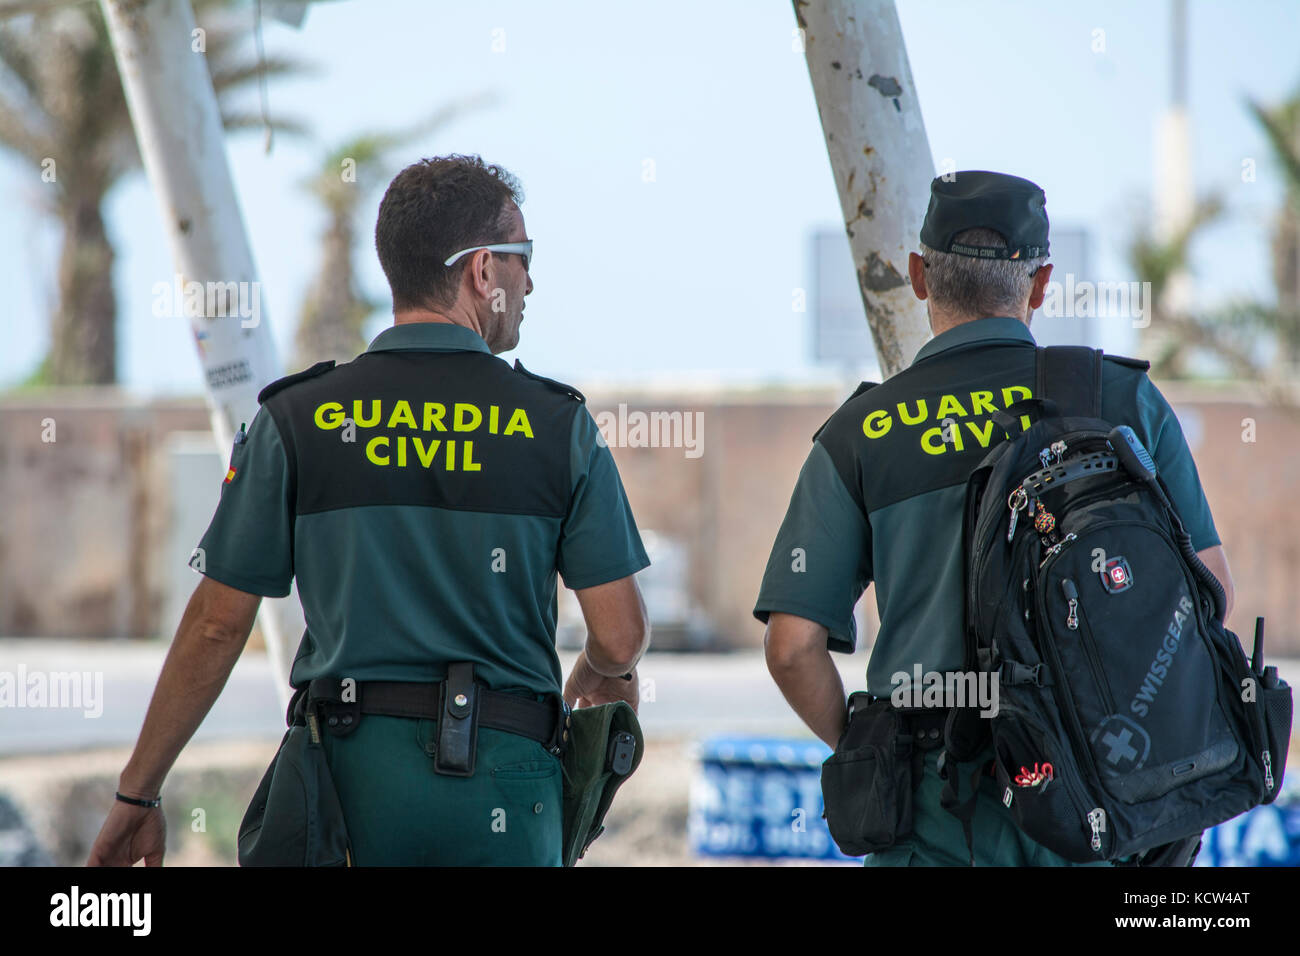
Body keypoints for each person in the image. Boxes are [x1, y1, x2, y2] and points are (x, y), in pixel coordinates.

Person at [87, 154, 651, 867]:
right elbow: (621, 636)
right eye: (522, 258)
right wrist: (598, 675)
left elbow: (215, 626)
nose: (530, 280)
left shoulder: (297, 419)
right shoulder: (556, 427)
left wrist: (138, 795)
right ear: (482, 271)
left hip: (345, 800)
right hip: (507, 798)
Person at [753, 170, 1234, 866]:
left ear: (918, 275)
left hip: (935, 809)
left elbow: (792, 647)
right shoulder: (1121, 397)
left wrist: (878, 755)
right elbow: (1209, 593)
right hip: (1096, 799)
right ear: (1039, 285)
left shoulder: (861, 431)